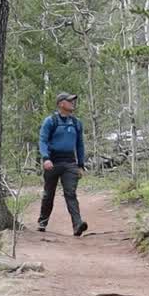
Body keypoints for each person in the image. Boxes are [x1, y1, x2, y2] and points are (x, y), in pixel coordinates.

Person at [38, 92, 88, 236]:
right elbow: (42, 140)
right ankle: (42, 222)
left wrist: (80, 165)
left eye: (73, 101)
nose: (73, 103)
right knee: (49, 194)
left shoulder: (76, 123)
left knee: (70, 193)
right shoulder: (50, 121)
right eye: (70, 101)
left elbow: (80, 145)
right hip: (52, 162)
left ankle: (77, 225)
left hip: (70, 163)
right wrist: (46, 158)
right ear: (61, 104)